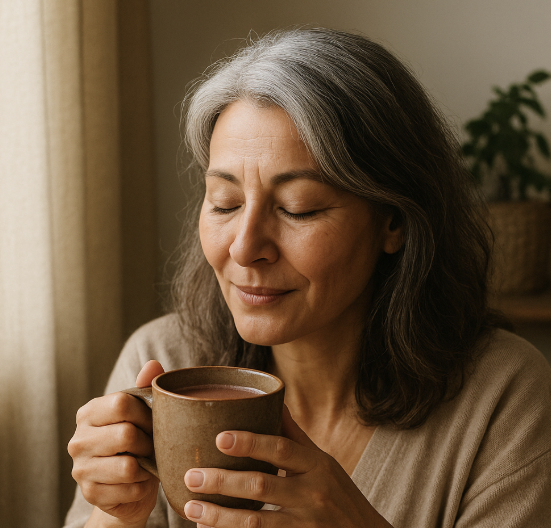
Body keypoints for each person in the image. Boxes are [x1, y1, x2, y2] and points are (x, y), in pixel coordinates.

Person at [64, 28, 551, 528]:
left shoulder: (503, 398)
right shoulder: (161, 361)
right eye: (224, 203)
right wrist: (118, 517)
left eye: (299, 209)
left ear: (394, 222)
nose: (245, 246)